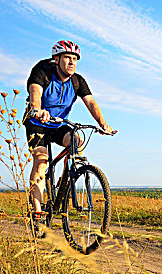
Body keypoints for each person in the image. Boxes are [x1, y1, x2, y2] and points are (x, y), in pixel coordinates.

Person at [24, 40, 112, 227]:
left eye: (75, 59)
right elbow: (35, 92)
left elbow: (91, 103)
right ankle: (37, 212)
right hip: (37, 123)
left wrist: (103, 124)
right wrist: (38, 110)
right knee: (41, 161)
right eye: (67, 58)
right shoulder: (43, 71)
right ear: (56, 59)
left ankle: (65, 182)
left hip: (58, 124)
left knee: (76, 140)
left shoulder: (77, 80)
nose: (72, 62)